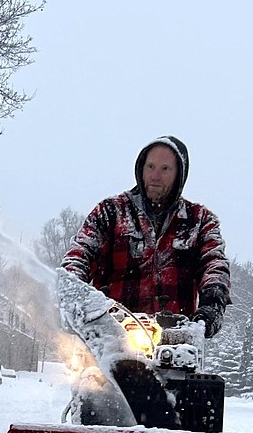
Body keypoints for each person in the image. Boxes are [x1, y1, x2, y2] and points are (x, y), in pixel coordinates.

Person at [61, 135, 231, 338]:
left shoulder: (200, 221)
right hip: (109, 337)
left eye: (165, 169)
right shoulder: (110, 213)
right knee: (80, 370)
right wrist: (72, 290)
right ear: (141, 168)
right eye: (150, 167)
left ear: (180, 175)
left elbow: (214, 265)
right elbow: (81, 252)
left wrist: (212, 302)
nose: (155, 176)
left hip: (175, 339)